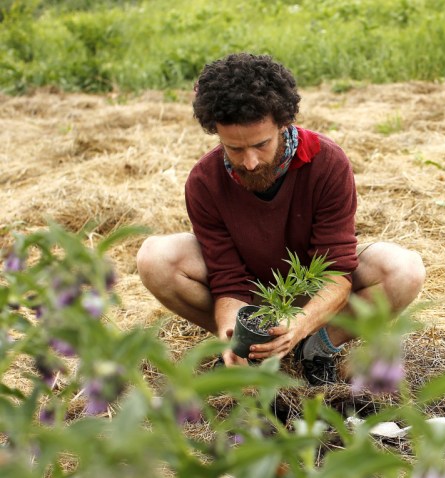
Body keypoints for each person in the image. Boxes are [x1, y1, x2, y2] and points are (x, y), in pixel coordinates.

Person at [136, 53, 425, 385]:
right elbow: (227, 279)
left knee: (404, 270)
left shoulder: (327, 162)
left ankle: (316, 348)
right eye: (234, 149)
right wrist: (232, 334)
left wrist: (300, 323)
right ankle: (252, 346)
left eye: (261, 144)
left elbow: (335, 269)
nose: (250, 162)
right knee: (154, 258)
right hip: (255, 296)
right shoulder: (205, 181)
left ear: (284, 122)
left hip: (312, 291)